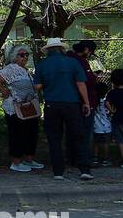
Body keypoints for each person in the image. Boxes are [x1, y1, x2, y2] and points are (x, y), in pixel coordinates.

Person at [34, 37, 92, 181]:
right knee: (78, 136)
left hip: (51, 104)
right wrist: (86, 102)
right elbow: (80, 83)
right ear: (62, 49)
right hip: (71, 103)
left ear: (47, 50)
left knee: (54, 138)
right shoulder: (73, 62)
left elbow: (37, 86)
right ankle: (84, 169)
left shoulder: (42, 64)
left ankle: (58, 172)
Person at [0, 46, 43, 173]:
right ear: (15, 57)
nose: (25, 57)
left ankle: (28, 159)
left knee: (31, 132)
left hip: (28, 106)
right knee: (17, 133)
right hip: (15, 108)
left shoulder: (25, 70)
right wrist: (4, 91)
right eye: (21, 55)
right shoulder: (11, 69)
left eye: (26, 55)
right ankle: (16, 161)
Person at [92, 81, 113, 166]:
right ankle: (105, 159)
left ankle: (95, 158)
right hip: (106, 126)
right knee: (106, 143)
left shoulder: (94, 101)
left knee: (96, 143)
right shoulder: (105, 101)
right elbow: (111, 111)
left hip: (96, 126)